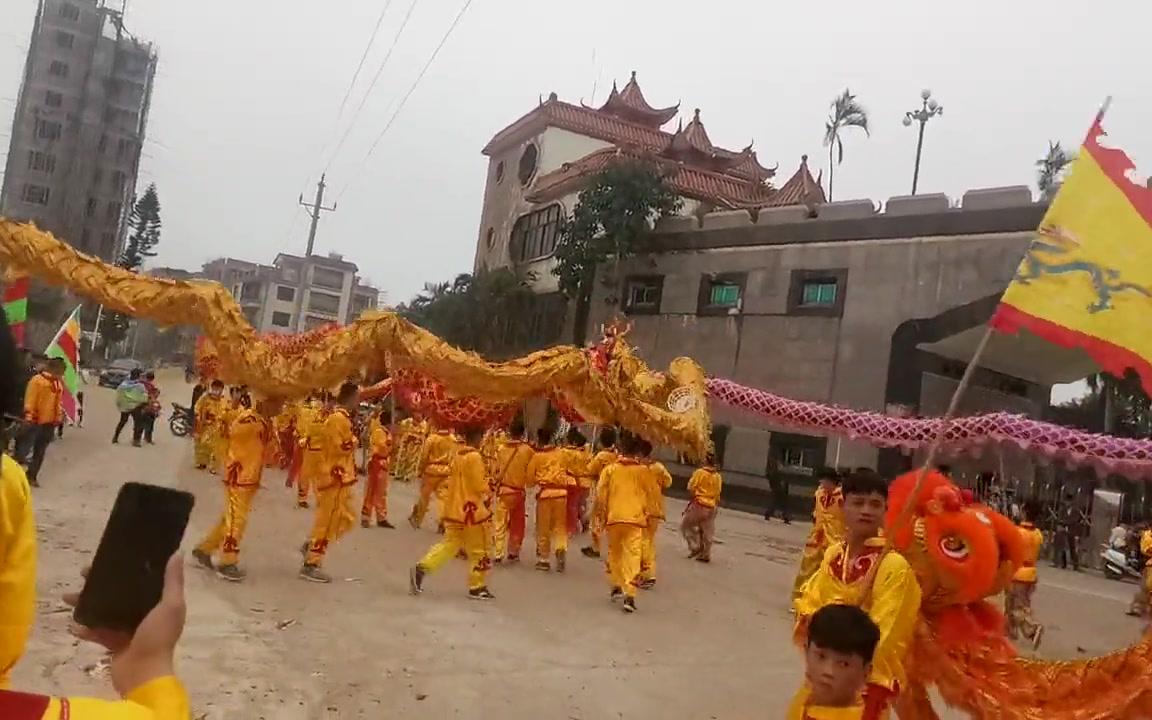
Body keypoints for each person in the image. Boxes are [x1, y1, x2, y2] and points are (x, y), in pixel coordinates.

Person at [793, 469, 921, 718]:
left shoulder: (892, 565)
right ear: (843, 506)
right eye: (858, 502)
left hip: (859, 684)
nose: (866, 510)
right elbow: (811, 601)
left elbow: (889, 632)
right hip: (823, 675)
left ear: (885, 511)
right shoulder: (833, 556)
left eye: (875, 504)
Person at [409, 425, 495, 600]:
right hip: (471, 510)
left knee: (449, 544)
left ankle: (422, 568)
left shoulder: (458, 455)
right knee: (479, 549)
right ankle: (477, 586)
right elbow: (479, 485)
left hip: (454, 508)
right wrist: (490, 487)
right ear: (478, 437)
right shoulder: (475, 457)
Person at [192, 391, 268, 582]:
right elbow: (231, 432)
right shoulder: (248, 419)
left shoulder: (262, 420)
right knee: (237, 520)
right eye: (278, 403)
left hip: (250, 478)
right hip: (239, 477)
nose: (281, 408)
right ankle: (227, 561)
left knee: (230, 518)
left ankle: (204, 549)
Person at [301, 382, 360, 583]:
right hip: (334, 476)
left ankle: (311, 546)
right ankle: (312, 562)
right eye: (357, 397)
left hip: (342, 477)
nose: (358, 401)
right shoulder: (337, 419)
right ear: (350, 397)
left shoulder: (342, 418)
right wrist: (354, 441)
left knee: (346, 518)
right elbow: (339, 447)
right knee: (325, 522)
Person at [787, 603, 881, 719]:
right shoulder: (805, 698)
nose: (828, 671)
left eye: (843, 664)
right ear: (807, 651)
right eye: (821, 656)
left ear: (866, 672)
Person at [595, 432, 652, 614]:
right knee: (632, 556)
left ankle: (615, 585)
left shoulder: (610, 470)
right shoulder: (644, 471)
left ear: (620, 449)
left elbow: (600, 495)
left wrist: (601, 515)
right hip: (635, 520)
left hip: (614, 517)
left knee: (615, 552)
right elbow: (651, 494)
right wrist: (648, 513)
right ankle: (630, 594)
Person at [526, 428, 574, 572]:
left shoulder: (537, 457)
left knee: (543, 528)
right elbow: (569, 470)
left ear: (539, 440)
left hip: (546, 494)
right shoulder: (562, 454)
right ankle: (560, 547)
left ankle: (544, 559)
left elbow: (529, 479)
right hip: (562, 494)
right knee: (560, 526)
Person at [793, 468, 845, 599]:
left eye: (824, 481)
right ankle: (799, 595)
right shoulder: (819, 494)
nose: (822, 484)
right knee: (807, 569)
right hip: (817, 538)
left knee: (829, 572)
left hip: (834, 539)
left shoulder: (842, 497)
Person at [17, 356, 65, 486]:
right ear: (53, 369)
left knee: (40, 451)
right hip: (34, 421)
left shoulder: (57, 384)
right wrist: (29, 417)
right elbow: (30, 400)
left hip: (49, 423)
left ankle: (32, 475)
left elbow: (59, 404)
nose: (61, 375)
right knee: (24, 450)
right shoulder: (37, 381)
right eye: (60, 372)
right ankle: (16, 476)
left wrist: (59, 418)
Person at [491, 418, 534, 563]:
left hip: (503, 491)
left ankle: (498, 552)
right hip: (518, 492)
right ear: (522, 434)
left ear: (509, 432)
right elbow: (531, 472)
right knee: (517, 524)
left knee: (500, 523)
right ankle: (513, 551)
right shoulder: (528, 451)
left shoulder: (501, 449)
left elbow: (495, 470)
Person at [1005, 501, 1044, 649]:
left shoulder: (1018, 532)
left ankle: (1032, 628)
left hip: (1018, 573)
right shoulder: (1037, 534)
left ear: (1025, 512)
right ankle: (1008, 634)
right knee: (1012, 605)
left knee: (1017, 607)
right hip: (1031, 573)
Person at [637, 439, 672, 589]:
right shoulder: (658, 468)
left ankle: (647, 573)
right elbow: (668, 482)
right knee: (649, 541)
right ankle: (645, 572)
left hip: (643, 509)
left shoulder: (638, 469)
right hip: (656, 510)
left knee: (643, 541)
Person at [581, 427, 619, 559]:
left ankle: (595, 547)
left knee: (597, 519)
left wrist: (589, 459)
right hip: (614, 491)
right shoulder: (616, 455)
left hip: (601, 490)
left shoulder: (601, 456)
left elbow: (589, 470)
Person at [409, 424, 457, 529]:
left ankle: (417, 519)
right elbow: (454, 457)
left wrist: (421, 470)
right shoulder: (453, 439)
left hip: (431, 471)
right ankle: (443, 522)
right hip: (446, 471)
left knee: (424, 497)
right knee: (443, 498)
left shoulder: (432, 438)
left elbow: (424, 456)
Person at [681, 453, 722, 563]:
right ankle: (706, 553)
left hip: (699, 504)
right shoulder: (717, 476)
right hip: (712, 506)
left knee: (686, 525)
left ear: (705, 462)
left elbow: (691, 487)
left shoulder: (700, 473)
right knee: (708, 530)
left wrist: (693, 497)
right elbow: (718, 493)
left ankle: (696, 546)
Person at [361, 407, 394, 528]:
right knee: (371, 491)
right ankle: (366, 516)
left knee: (381, 492)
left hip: (384, 464)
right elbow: (380, 448)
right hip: (376, 463)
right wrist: (389, 445)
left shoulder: (387, 432)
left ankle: (381, 517)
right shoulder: (379, 432)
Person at [295, 392, 327, 509]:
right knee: (305, 475)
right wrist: (302, 436)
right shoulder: (304, 408)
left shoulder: (328, 415)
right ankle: (302, 498)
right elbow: (306, 427)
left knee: (321, 476)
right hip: (309, 448)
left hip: (322, 450)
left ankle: (320, 499)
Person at [192, 380, 226, 471]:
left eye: (219, 389)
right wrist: (200, 418)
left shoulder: (223, 400)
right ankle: (201, 462)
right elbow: (197, 407)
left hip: (217, 427)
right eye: (215, 388)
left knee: (215, 447)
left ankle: (214, 467)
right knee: (202, 444)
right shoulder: (205, 398)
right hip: (204, 426)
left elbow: (225, 412)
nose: (216, 391)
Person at [112, 369, 147, 446]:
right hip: (136, 407)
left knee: (122, 422)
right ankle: (136, 441)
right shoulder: (140, 386)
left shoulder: (123, 385)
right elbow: (144, 397)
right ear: (138, 376)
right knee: (138, 423)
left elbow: (119, 396)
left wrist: (120, 404)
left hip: (125, 407)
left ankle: (115, 437)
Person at [1128, 524, 1152, 618]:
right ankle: (1138, 608)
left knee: (1145, 589)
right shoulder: (1145, 537)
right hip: (1146, 565)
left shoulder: (1144, 537)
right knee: (1145, 589)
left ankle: (1138, 608)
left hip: (1145, 564)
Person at [765, 458, 792, 524]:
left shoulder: (778, 473)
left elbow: (784, 483)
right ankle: (785, 517)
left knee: (779, 504)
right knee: (779, 504)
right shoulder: (776, 474)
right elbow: (775, 482)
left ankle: (786, 517)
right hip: (778, 490)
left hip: (779, 490)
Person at [140, 371, 161, 445]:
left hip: (141, 406)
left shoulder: (140, 383)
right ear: (152, 378)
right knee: (150, 423)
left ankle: (138, 438)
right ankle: (148, 438)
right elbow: (156, 393)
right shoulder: (152, 386)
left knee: (140, 422)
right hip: (150, 407)